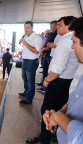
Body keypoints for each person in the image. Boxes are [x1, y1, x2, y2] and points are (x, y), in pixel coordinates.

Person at [26, 16, 79, 144]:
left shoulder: (66, 41)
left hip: (58, 81)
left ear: (68, 26)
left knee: (47, 110)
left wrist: (47, 81)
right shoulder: (67, 39)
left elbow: (58, 68)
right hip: (68, 81)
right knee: (60, 109)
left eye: (60, 24)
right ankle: (54, 135)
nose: (56, 27)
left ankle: (43, 140)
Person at [19, 21, 42, 105]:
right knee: (24, 78)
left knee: (30, 81)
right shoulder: (26, 36)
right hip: (25, 60)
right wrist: (22, 52)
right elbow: (27, 48)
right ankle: (26, 92)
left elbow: (36, 51)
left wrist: (25, 43)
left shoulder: (37, 37)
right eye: (25, 27)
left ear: (32, 28)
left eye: (28, 27)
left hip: (31, 62)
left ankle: (29, 99)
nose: (26, 29)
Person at [37, 21, 57, 92]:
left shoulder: (56, 35)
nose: (50, 27)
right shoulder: (52, 34)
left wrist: (44, 49)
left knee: (49, 71)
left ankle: (46, 87)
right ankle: (43, 83)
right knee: (44, 70)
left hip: (50, 55)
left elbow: (51, 45)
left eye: (51, 26)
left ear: (55, 26)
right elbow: (48, 43)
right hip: (46, 54)